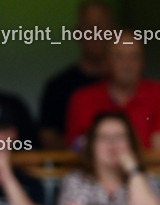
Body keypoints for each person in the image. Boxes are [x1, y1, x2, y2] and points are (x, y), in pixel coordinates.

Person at [65, 36, 160, 151]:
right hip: (97, 169)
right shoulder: (82, 99)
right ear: (107, 61)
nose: (127, 64)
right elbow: (77, 151)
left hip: (145, 169)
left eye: (134, 57)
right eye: (119, 57)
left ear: (143, 61)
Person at [39, 1, 113, 149]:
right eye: (89, 28)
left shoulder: (129, 84)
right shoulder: (57, 86)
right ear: (77, 33)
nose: (96, 33)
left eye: (102, 27)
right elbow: (47, 138)